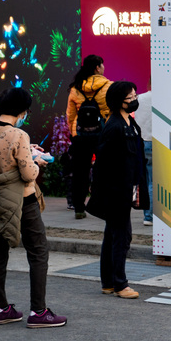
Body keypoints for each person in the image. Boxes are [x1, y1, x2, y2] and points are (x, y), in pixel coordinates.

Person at [0, 87, 67, 328]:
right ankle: (39, 312)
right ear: (22, 111)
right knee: (38, 251)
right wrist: (36, 160)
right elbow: (28, 173)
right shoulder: (19, 134)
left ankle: (1, 309)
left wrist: (26, 151)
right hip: (23, 199)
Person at [87, 81, 148, 299]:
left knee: (112, 235)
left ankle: (109, 282)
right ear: (119, 101)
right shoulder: (114, 126)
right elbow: (104, 163)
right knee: (122, 237)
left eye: (135, 95)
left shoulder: (128, 122)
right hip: (116, 191)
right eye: (130, 97)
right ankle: (120, 284)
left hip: (126, 188)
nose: (134, 100)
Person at [64, 55, 112, 219]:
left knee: (80, 172)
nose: (103, 67)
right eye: (102, 65)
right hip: (102, 134)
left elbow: (70, 116)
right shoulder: (108, 86)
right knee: (104, 170)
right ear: (97, 68)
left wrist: (74, 133)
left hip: (80, 136)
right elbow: (112, 112)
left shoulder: (76, 88)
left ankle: (79, 208)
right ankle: (101, 205)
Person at [134, 81, 154, 226]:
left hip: (141, 142)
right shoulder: (165, 99)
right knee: (155, 181)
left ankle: (147, 215)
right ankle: (151, 216)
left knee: (146, 181)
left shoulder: (139, 99)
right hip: (157, 142)